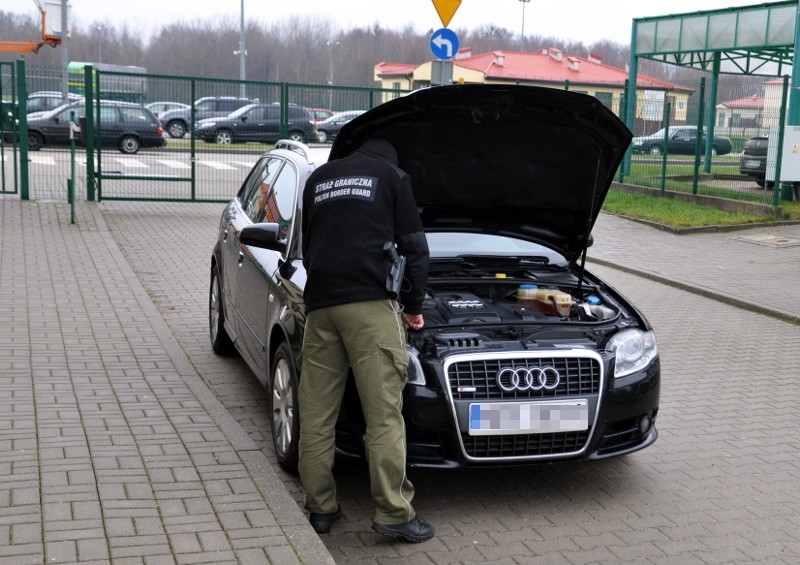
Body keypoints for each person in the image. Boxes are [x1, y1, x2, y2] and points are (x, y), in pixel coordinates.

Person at [298, 138, 433, 543]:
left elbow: (309, 248)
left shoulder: (318, 178)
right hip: (370, 308)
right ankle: (393, 512)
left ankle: (321, 509)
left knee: (317, 415)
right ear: (390, 157)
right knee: (383, 416)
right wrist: (413, 305)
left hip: (321, 307)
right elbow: (415, 248)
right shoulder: (393, 177)